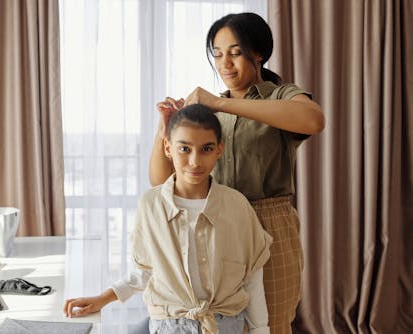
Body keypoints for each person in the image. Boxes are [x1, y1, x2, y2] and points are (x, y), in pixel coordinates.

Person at [149, 12, 325, 334]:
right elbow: (162, 181)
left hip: (269, 223)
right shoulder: (207, 112)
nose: (225, 64)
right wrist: (165, 128)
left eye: (235, 52)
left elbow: (313, 120)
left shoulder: (280, 95)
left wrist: (221, 104)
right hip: (217, 223)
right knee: (223, 324)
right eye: (217, 54)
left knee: (271, 324)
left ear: (258, 53)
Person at [64, 104, 273, 334]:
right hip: (169, 327)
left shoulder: (237, 206)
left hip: (226, 325)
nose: (195, 161)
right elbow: (144, 271)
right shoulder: (151, 205)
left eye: (206, 149)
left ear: (219, 150)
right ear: (168, 147)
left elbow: (252, 279)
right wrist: (102, 299)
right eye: (185, 149)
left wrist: (260, 330)